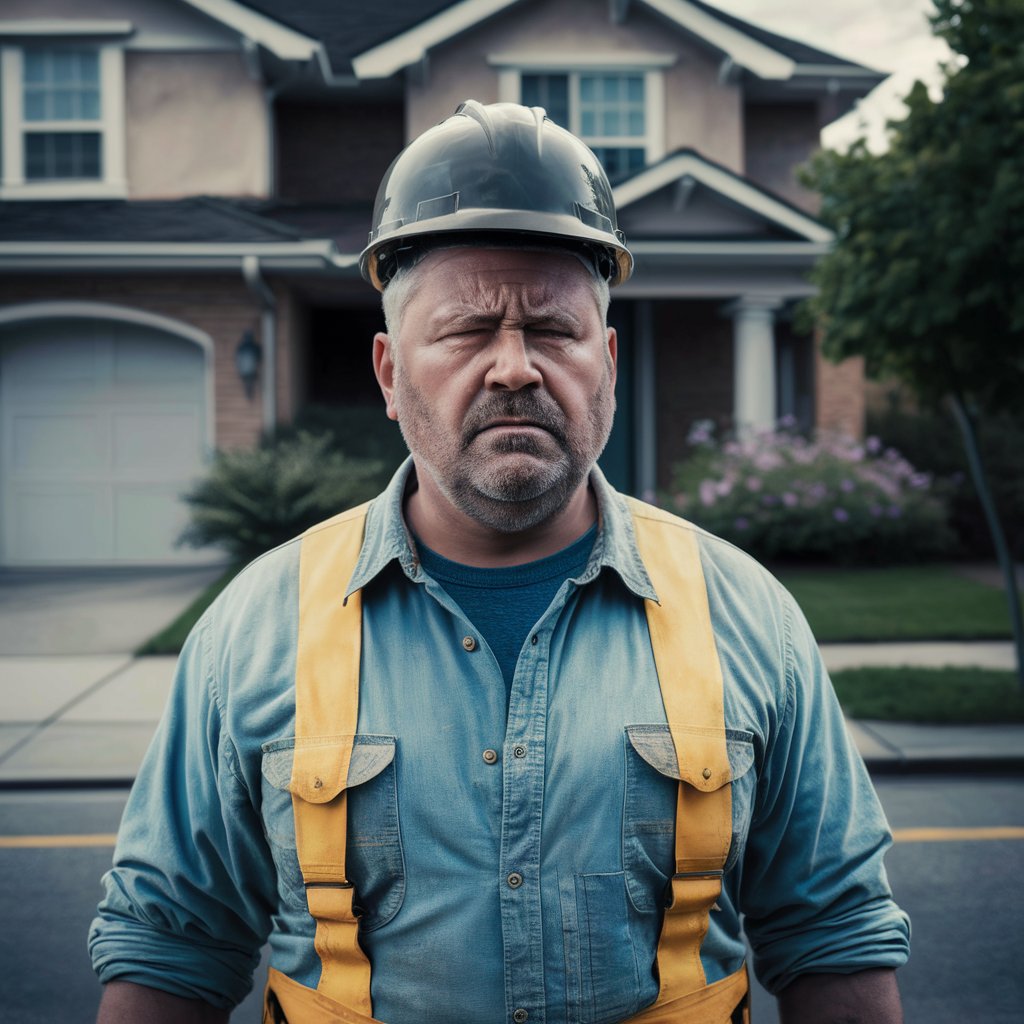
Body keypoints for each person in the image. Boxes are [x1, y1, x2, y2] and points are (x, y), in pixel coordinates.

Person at [90, 100, 909, 1024]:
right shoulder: (253, 628)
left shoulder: (748, 617)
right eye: (468, 330)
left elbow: (835, 936)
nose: (514, 367)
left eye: (553, 331)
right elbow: (170, 945)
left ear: (605, 361)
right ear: (391, 373)